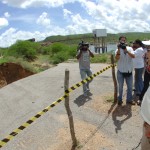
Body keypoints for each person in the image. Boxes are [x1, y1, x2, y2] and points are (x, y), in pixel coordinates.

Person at [115, 36, 135, 105]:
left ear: (126, 41)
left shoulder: (130, 48)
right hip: (120, 71)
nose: (123, 42)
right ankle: (119, 99)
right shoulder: (117, 49)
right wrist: (118, 49)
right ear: (119, 42)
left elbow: (133, 56)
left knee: (130, 87)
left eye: (124, 40)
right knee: (120, 87)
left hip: (129, 71)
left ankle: (129, 99)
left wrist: (126, 51)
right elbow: (117, 58)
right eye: (121, 41)